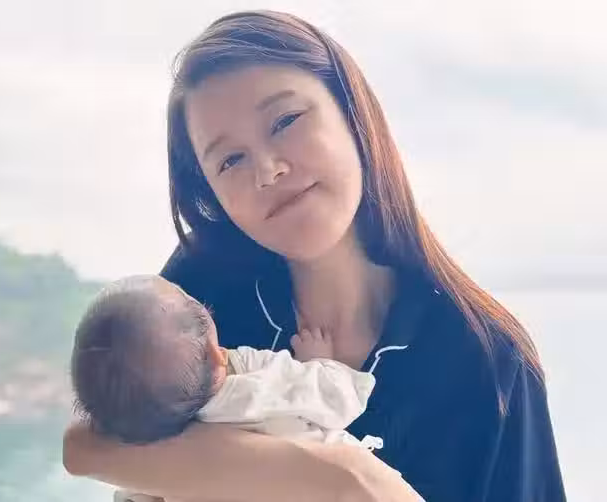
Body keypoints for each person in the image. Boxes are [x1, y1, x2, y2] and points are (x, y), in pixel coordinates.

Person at [62, 9, 566, 502]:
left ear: (352, 112)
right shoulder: (204, 286)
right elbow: (85, 447)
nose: (268, 170)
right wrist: (345, 479)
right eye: (230, 159)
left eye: (285, 120)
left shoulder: (486, 362)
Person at [70, 274, 382, 449]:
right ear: (215, 353)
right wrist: (319, 362)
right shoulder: (255, 380)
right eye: (194, 304)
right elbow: (339, 401)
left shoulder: (159, 445)